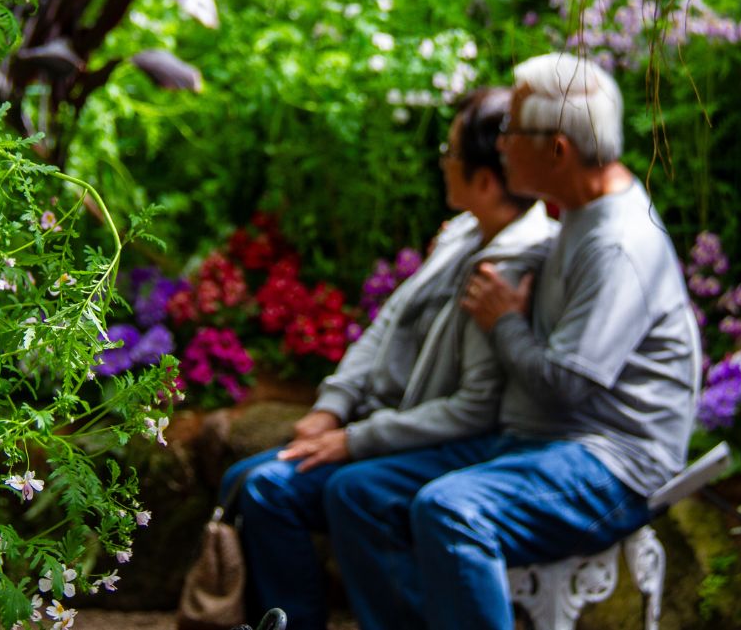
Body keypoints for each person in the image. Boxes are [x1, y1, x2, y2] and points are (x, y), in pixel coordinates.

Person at [324, 52, 702, 630]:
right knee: (359, 494)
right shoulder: (579, 209)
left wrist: (503, 322)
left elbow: (567, 390)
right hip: (536, 441)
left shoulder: (620, 243)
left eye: (511, 131)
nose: (499, 146)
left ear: (558, 149)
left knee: (453, 510)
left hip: (611, 460)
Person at [217, 87, 559, 630]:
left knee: (275, 490)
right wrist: (332, 407)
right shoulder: (466, 231)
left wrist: (352, 440)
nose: (441, 165)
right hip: (383, 425)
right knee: (245, 480)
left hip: (427, 445)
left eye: (449, 155)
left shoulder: (508, 265)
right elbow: (386, 322)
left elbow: (474, 407)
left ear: (486, 180)